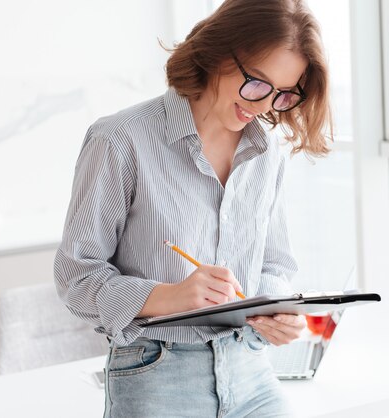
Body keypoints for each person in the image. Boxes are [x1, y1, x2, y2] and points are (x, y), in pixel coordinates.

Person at [54, 0, 333, 416]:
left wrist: (275, 309)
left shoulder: (265, 151)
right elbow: (77, 279)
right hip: (156, 374)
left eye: (282, 94)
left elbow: (274, 263)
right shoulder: (120, 140)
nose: (263, 106)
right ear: (218, 52)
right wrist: (170, 296)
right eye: (256, 83)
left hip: (250, 369)